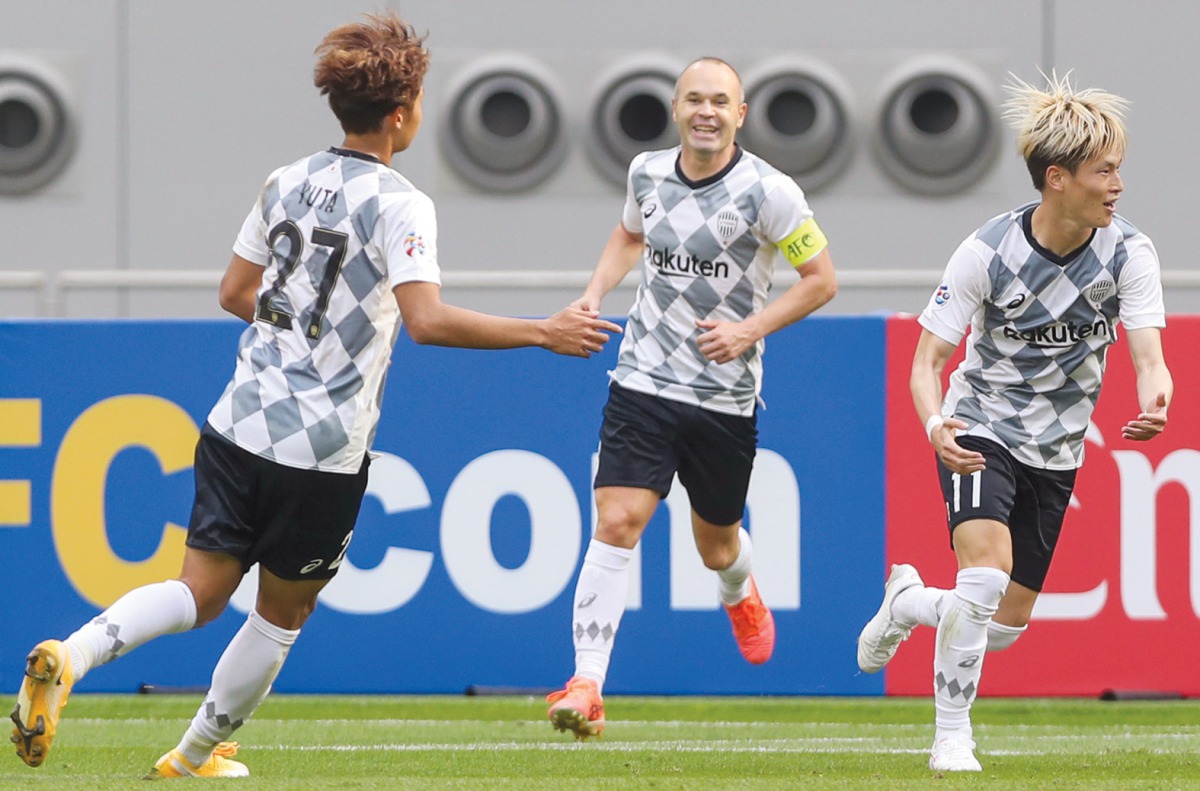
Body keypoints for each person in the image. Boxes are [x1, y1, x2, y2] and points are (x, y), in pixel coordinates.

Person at [10, 12, 619, 779]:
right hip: (324, 444)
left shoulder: (287, 179)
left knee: (196, 590)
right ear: (401, 113)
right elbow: (426, 320)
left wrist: (298, 322)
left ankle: (75, 652)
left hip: (240, 418)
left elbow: (235, 291)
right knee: (281, 612)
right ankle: (193, 754)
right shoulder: (402, 203)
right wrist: (542, 331)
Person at [857, 72, 1172, 772]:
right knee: (985, 576)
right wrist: (938, 424)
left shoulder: (1129, 253)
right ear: (1058, 178)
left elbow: (1150, 355)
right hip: (979, 428)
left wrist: (1157, 394)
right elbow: (925, 363)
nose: (1119, 184)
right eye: (1106, 170)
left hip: (1056, 452)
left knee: (1000, 626)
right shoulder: (987, 252)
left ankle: (909, 601)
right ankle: (951, 736)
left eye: (1119, 168)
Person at [546, 57, 838, 740]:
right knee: (617, 521)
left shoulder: (771, 193)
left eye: (721, 102)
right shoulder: (646, 173)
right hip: (642, 379)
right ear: (677, 109)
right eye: (695, 99)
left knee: (715, 545)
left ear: (741, 114)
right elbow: (630, 233)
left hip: (724, 399)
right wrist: (595, 293)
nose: (707, 111)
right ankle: (587, 681)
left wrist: (748, 330)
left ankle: (739, 588)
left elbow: (820, 279)